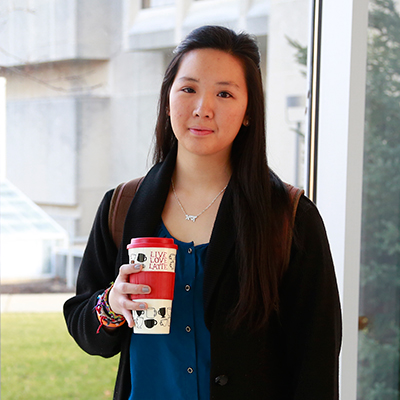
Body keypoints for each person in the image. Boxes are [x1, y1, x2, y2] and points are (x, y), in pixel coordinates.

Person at [64, 25, 342, 400]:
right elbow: (86, 329)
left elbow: (317, 361)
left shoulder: (289, 217)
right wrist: (112, 303)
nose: (202, 109)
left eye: (224, 93)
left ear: (248, 112)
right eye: (188, 89)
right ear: (167, 100)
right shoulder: (123, 205)